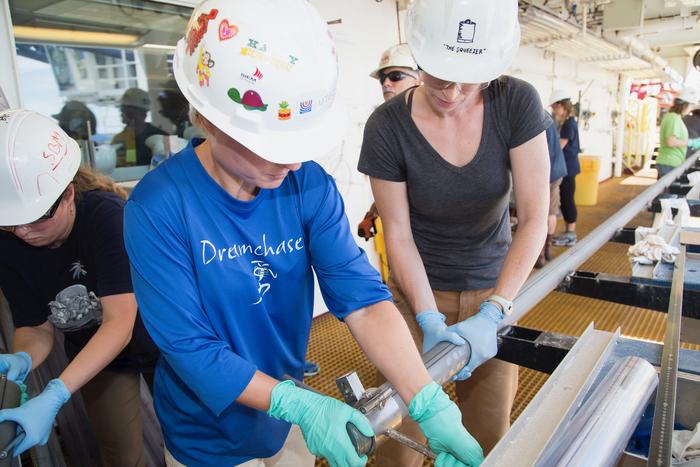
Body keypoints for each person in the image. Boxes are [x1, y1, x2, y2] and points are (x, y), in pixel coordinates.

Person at [123, 2, 483, 467]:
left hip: (289, 407)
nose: (292, 162)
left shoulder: (307, 183)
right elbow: (188, 347)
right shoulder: (159, 206)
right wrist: (299, 404)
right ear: (206, 117)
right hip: (208, 435)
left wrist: (427, 401)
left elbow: (364, 301)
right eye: (271, 145)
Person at [358, 1, 551, 465]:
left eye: (471, 76)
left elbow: (535, 218)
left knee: (485, 436)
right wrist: (426, 318)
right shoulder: (387, 127)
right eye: (439, 74)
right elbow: (398, 235)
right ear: (418, 57)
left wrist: (496, 309)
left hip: (494, 289)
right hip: (417, 295)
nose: (454, 90)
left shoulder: (516, 102)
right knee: (399, 442)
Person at [0, 109, 160, 466]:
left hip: (159, 337)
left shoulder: (107, 216)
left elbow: (119, 321)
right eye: (11, 224)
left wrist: (57, 391)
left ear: (68, 194)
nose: (23, 231)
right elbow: (34, 326)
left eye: (37, 218)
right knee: (121, 454)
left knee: (185, 437)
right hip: (93, 351)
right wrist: (24, 358)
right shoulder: (7, 242)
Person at [359, 44, 422, 242]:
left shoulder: (439, 122)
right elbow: (393, 184)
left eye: (395, 76)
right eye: (382, 79)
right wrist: (372, 214)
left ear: (420, 78)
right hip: (407, 239)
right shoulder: (385, 127)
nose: (386, 83)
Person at [550, 90, 580, 247]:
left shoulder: (568, 124)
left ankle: (571, 233)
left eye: (555, 108)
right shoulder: (569, 122)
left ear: (562, 106)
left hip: (568, 168)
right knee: (566, 198)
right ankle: (569, 231)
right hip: (569, 166)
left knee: (568, 199)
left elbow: (559, 146)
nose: (554, 111)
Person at [536, 117, 568, 268]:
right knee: (551, 213)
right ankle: (547, 249)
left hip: (545, 174)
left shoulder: (533, 120)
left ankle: (540, 254)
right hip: (558, 171)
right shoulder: (547, 118)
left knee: (539, 215)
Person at [112, 87, 168, 166]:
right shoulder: (119, 139)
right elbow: (127, 166)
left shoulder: (162, 137)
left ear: (144, 113)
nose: (124, 114)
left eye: (130, 112)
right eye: (123, 110)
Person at [657, 90, 700, 178]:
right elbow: (671, 142)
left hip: (670, 162)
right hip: (669, 163)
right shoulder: (673, 118)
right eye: (691, 105)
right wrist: (691, 142)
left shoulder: (674, 117)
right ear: (685, 105)